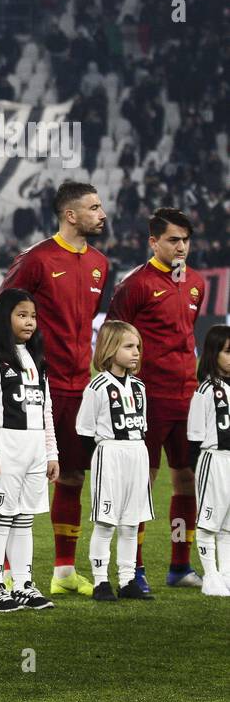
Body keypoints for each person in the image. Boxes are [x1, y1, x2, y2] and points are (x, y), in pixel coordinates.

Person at [0, 181, 109, 598]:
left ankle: (63, 571)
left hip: (81, 386)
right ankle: (8, 571)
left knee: (74, 475)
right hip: (39, 385)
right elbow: (2, 313)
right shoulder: (36, 260)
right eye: (93, 208)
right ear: (70, 215)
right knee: (24, 475)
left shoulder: (100, 262)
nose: (101, 214)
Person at [105, 207, 207, 592]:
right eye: (172, 240)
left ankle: (180, 567)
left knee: (186, 481)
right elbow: (115, 338)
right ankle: (135, 568)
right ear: (153, 242)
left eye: (185, 239)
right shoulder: (136, 284)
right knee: (141, 483)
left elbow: (187, 337)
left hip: (187, 398)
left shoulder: (197, 282)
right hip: (147, 400)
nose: (181, 246)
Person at [0, 289, 60, 613]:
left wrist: (52, 452)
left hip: (34, 448)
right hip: (3, 446)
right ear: (2, 317)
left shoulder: (36, 358)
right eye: (22, 315)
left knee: (24, 520)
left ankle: (22, 584)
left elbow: (46, 408)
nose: (29, 322)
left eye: (33, 316)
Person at [75, 321, 152, 601]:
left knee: (131, 523)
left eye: (138, 347)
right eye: (129, 346)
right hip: (109, 454)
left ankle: (128, 579)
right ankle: (101, 581)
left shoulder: (140, 387)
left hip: (136, 453)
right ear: (109, 349)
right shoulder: (97, 386)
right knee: (106, 522)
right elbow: (84, 430)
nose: (136, 353)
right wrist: (100, 458)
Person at [188, 325, 230, 597]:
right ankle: (210, 576)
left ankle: (225, 574)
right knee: (208, 522)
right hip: (213, 460)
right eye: (228, 351)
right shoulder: (205, 391)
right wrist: (200, 471)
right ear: (213, 353)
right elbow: (194, 437)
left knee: (227, 525)